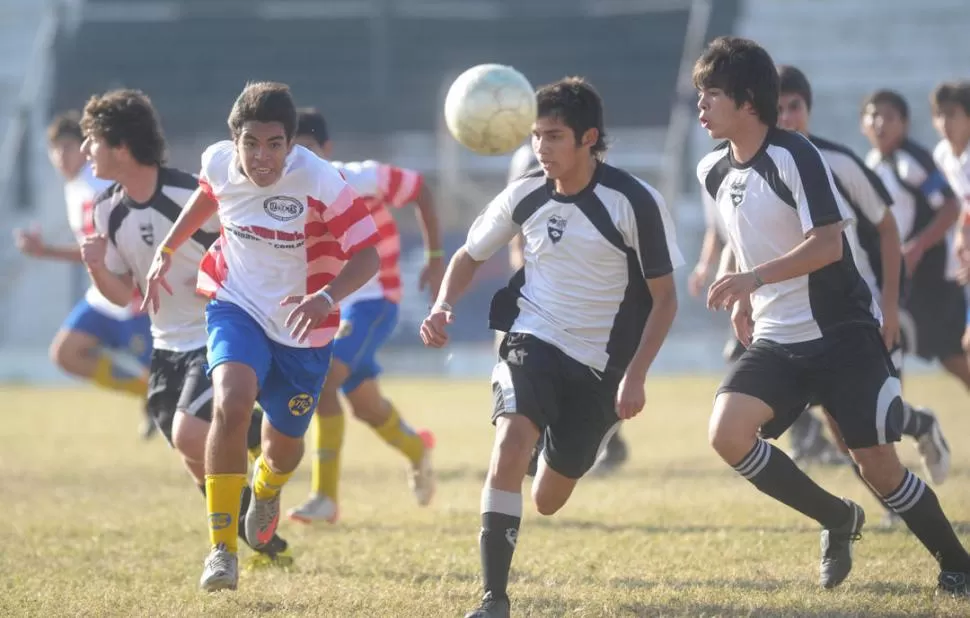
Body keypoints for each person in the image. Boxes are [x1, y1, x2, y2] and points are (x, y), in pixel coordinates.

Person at [696, 35, 970, 595]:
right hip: (777, 337)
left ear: (749, 101)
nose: (701, 106)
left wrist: (752, 279)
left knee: (879, 467)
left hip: (841, 334)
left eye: (712, 94)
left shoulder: (797, 155)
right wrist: (747, 297)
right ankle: (838, 518)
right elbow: (747, 240)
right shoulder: (712, 170)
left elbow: (825, 245)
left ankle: (957, 563)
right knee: (727, 434)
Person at [421, 77, 681, 617]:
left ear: (589, 138)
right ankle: (494, 598)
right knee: (510, 444)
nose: (541, 148)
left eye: (554, 136)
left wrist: (635, 375)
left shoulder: (634, 201)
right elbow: (468, 255)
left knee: (548, 499)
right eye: (536, 136)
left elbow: (665, 301)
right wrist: (443, 306)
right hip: (531, 340)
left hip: (602, 369)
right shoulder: (525, 192)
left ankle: (562, 439)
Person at [142, 82, 380, 592]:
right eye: (251, 143)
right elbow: (208, 198)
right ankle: (221, 550)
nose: (262, 157)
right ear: (235, 141)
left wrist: (326, 299)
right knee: (230, 400)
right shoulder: (219, 163)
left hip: (304, 326)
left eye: (275, 144)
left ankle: (267, 489)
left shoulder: (321, 179)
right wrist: (167, 248)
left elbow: (367, 254)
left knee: (284, 449)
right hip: (236, 305)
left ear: (291, 144)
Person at [76, 88, 291, 567]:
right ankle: (256, 522)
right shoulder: (106, 209)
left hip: (215, 333)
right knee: (189, 446)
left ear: (119, 145)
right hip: (164, 345)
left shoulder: (186, 193)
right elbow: (124, 296)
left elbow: (245, 244)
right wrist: (96, 268)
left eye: (91, 141)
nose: (85, 151)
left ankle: (233, 530)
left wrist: (225, 281)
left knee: (192, 434)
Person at [776, 65, 950, 502]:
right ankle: (896, 501)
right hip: (807, 317)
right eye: (776, 108)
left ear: (808, 109)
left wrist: (889, 308)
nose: (786, 117)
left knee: (876, 421)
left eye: (793, 107)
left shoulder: (840, 162)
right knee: (845, 431)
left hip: (866, 309)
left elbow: (889, 231)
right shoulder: (761, 168)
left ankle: (919, 430)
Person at [285, 108, 442, 524]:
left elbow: (421, 189)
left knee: (321, 382)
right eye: (291, 153)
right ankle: (417, 450)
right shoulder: (283, 196)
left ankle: (325, 499)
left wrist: (435, 255)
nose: (300, 162)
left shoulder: (362, 177)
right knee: (366, 407)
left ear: (327, 150)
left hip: (373, 299)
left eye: (308, 151)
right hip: (327, 304)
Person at [13, 111, 155, 439]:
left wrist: (45, 251)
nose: (61, 155)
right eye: (55, 148)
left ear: (85, 147)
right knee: (66, 353)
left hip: (129, 295)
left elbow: (105, 252)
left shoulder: (97, 187)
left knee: (182, 392)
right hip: (103, 296)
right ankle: (149, 392)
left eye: (68, 146)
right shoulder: (76, 187)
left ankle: (243, 432)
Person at [505, 142, 631, 477]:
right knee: (512, 356)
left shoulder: (596, 190)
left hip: (585, 300)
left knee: (587, 373)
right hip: (538, 297)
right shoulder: (524, 175)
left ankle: (606, 438)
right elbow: (516, 239)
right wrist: (528, 275)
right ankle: (534, 443)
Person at [861, 89, 970, 391]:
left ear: (904, 124)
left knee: (948, 355)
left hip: (932, 279)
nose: (880, 123)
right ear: (863, 125)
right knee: (902, 345)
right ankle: (899, 418)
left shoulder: (914, 162)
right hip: (904, 277)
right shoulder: (871, 163)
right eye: (873, 116)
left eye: (890, 117)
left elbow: (950, 206)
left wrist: (917, 247)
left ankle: (900, 418)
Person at [929, 81, 970, 350]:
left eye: (952, 114)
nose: (944, 122)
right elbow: (956, 201)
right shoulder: (942, 155)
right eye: (939, 114)